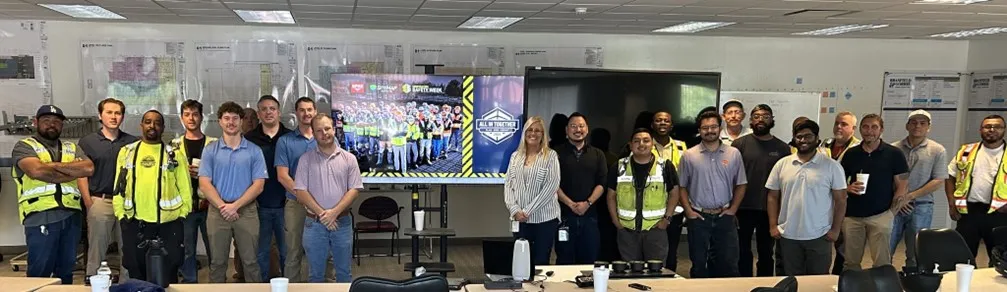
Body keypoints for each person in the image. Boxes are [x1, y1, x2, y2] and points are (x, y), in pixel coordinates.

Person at [12, 105, 94, 284]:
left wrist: (52, 167)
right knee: (40, 270)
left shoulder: (71, 147)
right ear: (36, 122)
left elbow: (88, 168)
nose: (52, 125)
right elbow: (37, 171)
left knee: (66, 270)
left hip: (71, 216)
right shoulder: (24, 146)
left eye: (57, 121)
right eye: (46, 121)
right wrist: (70, 170)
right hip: (41, 216)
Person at [112, 110, 190, 283]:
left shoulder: (174, 155)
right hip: (134, 224)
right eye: (148, 122)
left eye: (157, 123)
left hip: (168, 225)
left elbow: (186, 189)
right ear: (142, 125)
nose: (152, 126)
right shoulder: (127, 152)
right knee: (136, 273)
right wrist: (121, 214)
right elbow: (118, 188)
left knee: (168, 273)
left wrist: (182, 213)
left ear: (162, 128)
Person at [199, 101, 268, 283]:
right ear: (220, 121)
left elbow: (258, 185)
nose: (231, 122)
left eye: (235, 118)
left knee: (251, 262)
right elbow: (205, 184)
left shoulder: (254, 151)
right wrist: (224, 206)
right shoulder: (210, 151)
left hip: (246, 212)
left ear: (241, 121)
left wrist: (235, 206)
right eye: (226, 118)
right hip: (217, 211)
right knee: (218, 263)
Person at [766, 119, 847, 275]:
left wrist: (836, 229)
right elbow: (772, 197)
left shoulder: (831, 166)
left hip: (820, 235)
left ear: (817, 139)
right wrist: (773, 226)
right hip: (788, 234)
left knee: (817, 280)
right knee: (791, 279)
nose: (803, 140)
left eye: (808, 136)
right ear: (794, 138)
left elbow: (841, 200)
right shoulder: (782, 164)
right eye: (799, 136)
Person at [293, 115, 363, 283]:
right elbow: (301, 192)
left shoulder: (349, 159)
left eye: (327, 129)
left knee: (344, 274)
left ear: (333, 130)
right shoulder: (305, 160)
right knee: (315, 275)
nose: (324, 133)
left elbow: (354, 190)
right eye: (319, 130)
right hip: (314, 224)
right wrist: (325, 215)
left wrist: (334, 213)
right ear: (314, 133)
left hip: (342, 222)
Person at [678, 111, 746, 278]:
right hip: (699, 217)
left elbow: (741, 184)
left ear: (720, 128)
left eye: (713, 127)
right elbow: (681, 186)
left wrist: (733, 210)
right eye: (705, 128)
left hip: (725, 216)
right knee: (699, 264)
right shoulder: (689, 155)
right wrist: (688, 211)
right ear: (699, 130)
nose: (709, 131)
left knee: (728, 263)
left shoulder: (733, 153)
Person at [839, 114, 909, 271]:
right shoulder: (851, 154)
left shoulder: (894, 154)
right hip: (852, 217)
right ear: (860, 130)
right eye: (865, 127)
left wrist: (891, 213)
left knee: (882, 263)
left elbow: (902, 184)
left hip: (881, 215)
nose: (869, 131)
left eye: (874, 127)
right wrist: (848, 188)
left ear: (881, 130)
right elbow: (839, 182)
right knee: (850, 262)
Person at [78, 98, 137, 280]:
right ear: (100, 115)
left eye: (117, 113)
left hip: (126, 202)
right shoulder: (87, 142)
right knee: (97, 246)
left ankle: (128, 284)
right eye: (109, 112)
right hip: (100, 200)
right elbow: (81, 174)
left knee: (128, 247)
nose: (113, 116)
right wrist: (89, 202)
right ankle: (94, 281)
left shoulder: (132, 143)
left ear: (123, 117)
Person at [731, 104, 791, 277]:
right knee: (742, 250)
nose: (760, 120)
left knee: (766, 252)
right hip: (743, 207)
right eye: (756, 116)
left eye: (765, 116)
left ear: (772, 120)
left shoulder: (782, 148)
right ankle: (743, 283)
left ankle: (765, 283)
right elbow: (731, 177)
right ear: (750, 120)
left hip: (770, 210)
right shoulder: (739, 144)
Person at [607, 128, 680, 262]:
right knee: (629, 272)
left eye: (646, 140)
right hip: (627, 230)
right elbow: (611, 195)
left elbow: (674, 193)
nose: (641, 144)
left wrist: (667, 219)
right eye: (637, 141)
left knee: (656, 272)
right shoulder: (619, 166)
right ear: (630, 144)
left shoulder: (665, 166)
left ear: (652, 143)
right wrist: (616, 222)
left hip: (655, 229)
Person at [946, 114, 1007, 267]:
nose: (992, 130)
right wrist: (952, 203)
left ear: (1004, 130)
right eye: (987, 126)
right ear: (980, 130)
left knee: (1000, 257)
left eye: (997, 127)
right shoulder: (966, 151)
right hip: (968, 213)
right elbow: (949, 176)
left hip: (1000, 214)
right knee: (962, 258)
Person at [890, 110, 948, 269]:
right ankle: (884, 281)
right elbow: (886, 176)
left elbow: (938, 180)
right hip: (894, 205)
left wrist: (909, 197)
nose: (918, 126)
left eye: (923, 123)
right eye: (914, 122)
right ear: (907, 125)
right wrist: (899, 199)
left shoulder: (937, 150)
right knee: (885, 248)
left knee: (916, 252)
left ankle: (913, 283)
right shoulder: (893, 149)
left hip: (921, 206)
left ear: (928, 127)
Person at [244, 95, 291, 281]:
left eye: (272, 108)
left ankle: (289, 286)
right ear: (259, 114)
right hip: (258, 206)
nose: (268, 112)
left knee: (288, 253)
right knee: (260, 254)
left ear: (279, 112)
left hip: (286, 204)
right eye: (264, 109)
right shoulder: (248, 139)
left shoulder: (289, 137)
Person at [503, 116, 561, 265]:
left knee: (540, 261)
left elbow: (551, 186)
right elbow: (508, 185)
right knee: (521, 261)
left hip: (544, 220)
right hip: (519, 219)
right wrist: (515, 209)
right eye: (529, 130)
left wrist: (527, 211)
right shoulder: (515, 156)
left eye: (537, 130)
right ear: (524, 133)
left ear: (543, 135)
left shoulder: (551, 156)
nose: (533, 133)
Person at [275, 97, 319, 282]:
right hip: (295, 204)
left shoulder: (324, 138)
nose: (306, 113)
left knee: (320, 251)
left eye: (309, 109)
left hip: (322, 204)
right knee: (293, 251)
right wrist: (304, 197)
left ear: (315, 112)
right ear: (296, 113)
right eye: (302, 110)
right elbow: (283, 176)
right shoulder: (285, 142)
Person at [555, 112, 608, 264]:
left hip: (590, 216)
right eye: (573, 126)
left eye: (581, 126)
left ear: (587, 129)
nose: (578, 129)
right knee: (564, 259)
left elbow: (602, 183)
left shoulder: (598, 154)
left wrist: (588, 203)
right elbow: (552, 184)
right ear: (566, 130)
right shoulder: (555, 154)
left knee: (589, 260)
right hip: (564, 216)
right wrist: (571, 204)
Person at [173, 99, 216, 283]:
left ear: (201, 117)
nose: (191, 118)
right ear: (182, 118)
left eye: (195, 114)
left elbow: (223, 172)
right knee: (187, 249)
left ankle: (216, 283)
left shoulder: (214, 144)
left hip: (211, 205)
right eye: (187, 114)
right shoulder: (174, 145)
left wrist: (205, 173)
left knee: (215, 249)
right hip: (186, 206)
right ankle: (189, 284)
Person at [649, 111, 689, 272]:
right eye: (658, 120)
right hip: (650, 206)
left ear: (671, 125)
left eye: (666, 121)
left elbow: (686, 176)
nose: (663, 123)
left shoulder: (681, 146)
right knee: (651, 249)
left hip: (675, 207)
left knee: (672, 249)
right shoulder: (643, 143)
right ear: (652, 125)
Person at [821, 111, 860, 274]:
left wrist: (846, 187)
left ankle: (840, 279)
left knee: (844, 247)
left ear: (853, 128)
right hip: (825, 202)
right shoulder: (825, 144)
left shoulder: (859, 148)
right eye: (837, 123)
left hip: (847, 204)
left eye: (844, 124)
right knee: (824, 243)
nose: (838, 127)